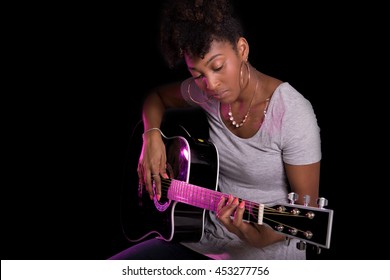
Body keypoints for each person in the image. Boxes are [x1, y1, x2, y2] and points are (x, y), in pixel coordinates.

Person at [109, 0, 321, 260]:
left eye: (218, 67)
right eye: (197, 74)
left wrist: (251, 234)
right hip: (200, 237)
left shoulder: (293, 113)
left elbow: (304, 210)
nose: (209, 84)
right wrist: (151, 136)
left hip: (261, 253)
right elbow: (155, 98)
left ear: (242, 49)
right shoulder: (207, 94)